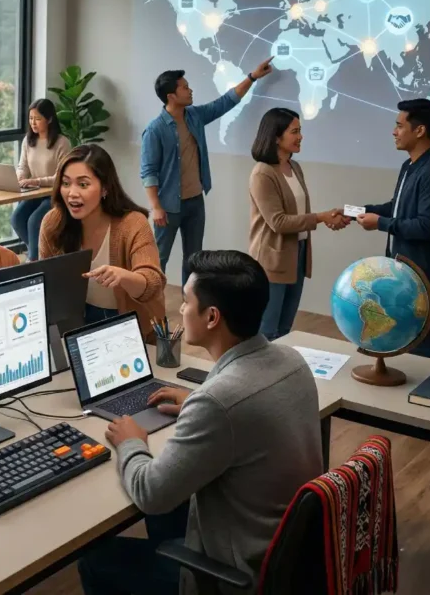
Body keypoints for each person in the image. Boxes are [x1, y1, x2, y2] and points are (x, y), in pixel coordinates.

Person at [78, 250, 323, 595]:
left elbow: (149, 492)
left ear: (211, 317)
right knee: (167, 510)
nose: (180, 309)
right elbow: (243, 409)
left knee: (95, 559)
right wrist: (195, 402)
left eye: (186, 302)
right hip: (283, 551)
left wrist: (131, 441)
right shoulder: (292, 361)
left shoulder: (218, 402)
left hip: (236, 573)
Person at [140, 58, 275, 289]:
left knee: (193, 260)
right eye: (184, 87)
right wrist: (156, 207)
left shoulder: (194, 116)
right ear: (171, 96)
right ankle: (150, 301)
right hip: (168, 206)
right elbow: (148, 171)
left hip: (195, 201)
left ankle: (189, 302)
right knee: (158, 259)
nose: (190, 90)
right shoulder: (155, 129)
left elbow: (225, 102)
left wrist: (252, 77)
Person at [356, 98, 430, 359]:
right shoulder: (410, 164)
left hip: (423, 267)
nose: (394, 131)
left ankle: (427, 387)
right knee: (402, 331)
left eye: (399, 125)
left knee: (418, 334)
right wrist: (357, 210)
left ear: (420, 130)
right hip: (404, 265)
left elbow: (426, 227)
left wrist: (380, 224)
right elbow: (398, 207)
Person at [39, 144, 166, 341]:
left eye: (83, 184)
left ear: (105, 188)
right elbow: (46, 285)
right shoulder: (52, 223)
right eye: (66, 183)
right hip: (76, 324)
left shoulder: (132, 224)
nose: (72, 193)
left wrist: (124, 276)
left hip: (132, 326)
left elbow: (153, 282)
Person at [248, 108, 348, 341]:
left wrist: (328, 218)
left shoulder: (294, 167)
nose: (300, 136)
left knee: (285, 330)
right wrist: (321, 218)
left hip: (298, 255)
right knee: (267, 331)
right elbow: (278, 222)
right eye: (295, 131)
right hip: (272, 260)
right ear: (275, 136)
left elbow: (299, 213)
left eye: (300, 131)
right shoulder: (262, 173)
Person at [11, 98, 71, 260]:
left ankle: (33, 260)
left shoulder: (62, 143)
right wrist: (21, 177)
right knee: (17, 218)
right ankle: (38, 254)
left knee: (34, 221)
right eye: (31, 119)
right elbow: (22, 166)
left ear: (49, 119)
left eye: (37, 119)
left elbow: (61, 177)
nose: (33, 123)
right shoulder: (28, 141)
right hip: (34, 193)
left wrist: (36, 181)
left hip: (55, 194)